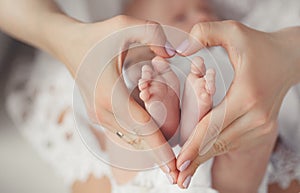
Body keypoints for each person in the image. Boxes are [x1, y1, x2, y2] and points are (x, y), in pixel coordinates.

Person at [1, 0, 300, 193]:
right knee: (129, 127)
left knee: (248, 154)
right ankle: (164, 119)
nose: (199, 20)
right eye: (180, 16)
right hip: (155, 164)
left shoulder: (222, 59)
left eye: (210, 14)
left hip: (229, 133)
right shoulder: (135, 68)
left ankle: (195, 124)